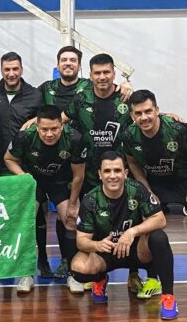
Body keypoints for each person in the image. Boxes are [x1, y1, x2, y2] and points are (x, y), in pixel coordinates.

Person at [119, 89, 187, 302]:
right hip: (157, 183)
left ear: (157, 110)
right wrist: (146, 188)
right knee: (150, 225)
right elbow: (132, 161)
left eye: (148, 111)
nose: (144, 117)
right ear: (132, 115)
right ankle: (153, 279)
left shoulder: (177, 129)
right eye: (138, 113)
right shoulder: (128, 135)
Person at [62, 53, 141, 291]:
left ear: (114, 73)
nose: (102, 77)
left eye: (107, 72)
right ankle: (98, 275)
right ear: (90, 75)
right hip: (90, 174)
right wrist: (34, 122)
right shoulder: (81, 99)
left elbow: (147, 115)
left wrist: (170, 116)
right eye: (97, 73)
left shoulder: (126, 97)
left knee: (131, 221)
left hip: (120, 174)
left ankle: (134, 273)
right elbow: (61, 119)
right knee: (93, 225)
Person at [70, 151, 178, 320]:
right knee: (78, 268)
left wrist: (132, 232)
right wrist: (97, 245)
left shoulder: (137, 189)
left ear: (125, 173)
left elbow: (160, 219)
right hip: (106, 253)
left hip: (136, 250)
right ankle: (100, 279)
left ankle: (168, 298)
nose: (113, 176)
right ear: (100, 174)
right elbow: (81, 241)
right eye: (107, 171)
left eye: (117, 170)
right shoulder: (90, 200)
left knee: (159, 237)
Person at [4, 105, 87, 293]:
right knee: (26, 222)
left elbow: (78, 176)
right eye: (44, 129)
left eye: (54, 129)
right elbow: (8, 159)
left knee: (70, 220)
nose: (49, 134)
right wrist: (24, 177)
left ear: (62, 125)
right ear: (37, 127)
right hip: (34, 182)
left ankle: (73, 274)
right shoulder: (25, 136)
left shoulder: (74, 138)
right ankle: (27, 274)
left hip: (61, 182)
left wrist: (73, 204)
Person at [0, 52, 50, 285]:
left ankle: (42, 261)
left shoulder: (35, 95)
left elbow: (47, 121)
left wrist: (35, 120)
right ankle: (2, 264)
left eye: (15, 69)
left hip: (28, 167)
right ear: (1, 70)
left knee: (35, 216)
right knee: (1, 219)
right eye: (7, 69)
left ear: (21, 69)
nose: (11, 73)